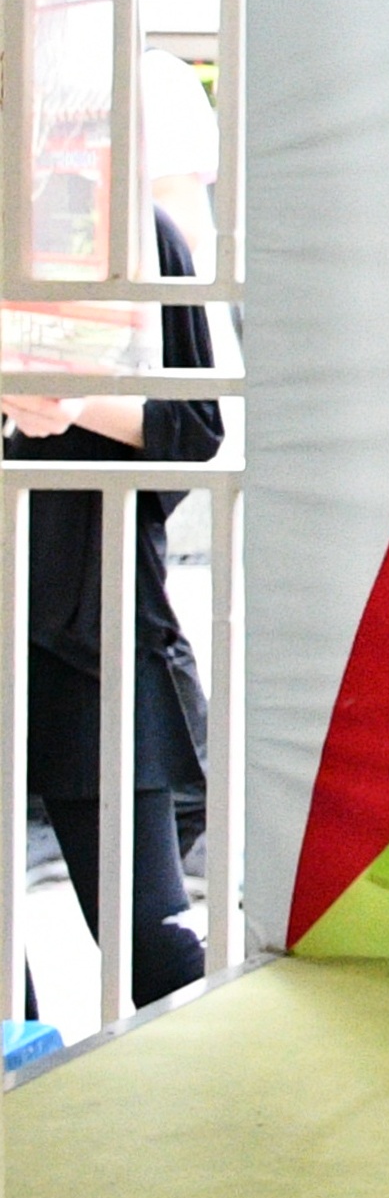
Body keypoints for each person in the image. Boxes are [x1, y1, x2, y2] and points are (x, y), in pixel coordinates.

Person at [19, 203, 228, 1017]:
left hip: (93, 624)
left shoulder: (131, 224)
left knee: (153, 944)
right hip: (74, 602)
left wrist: (73, 401)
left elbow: (195, 427)